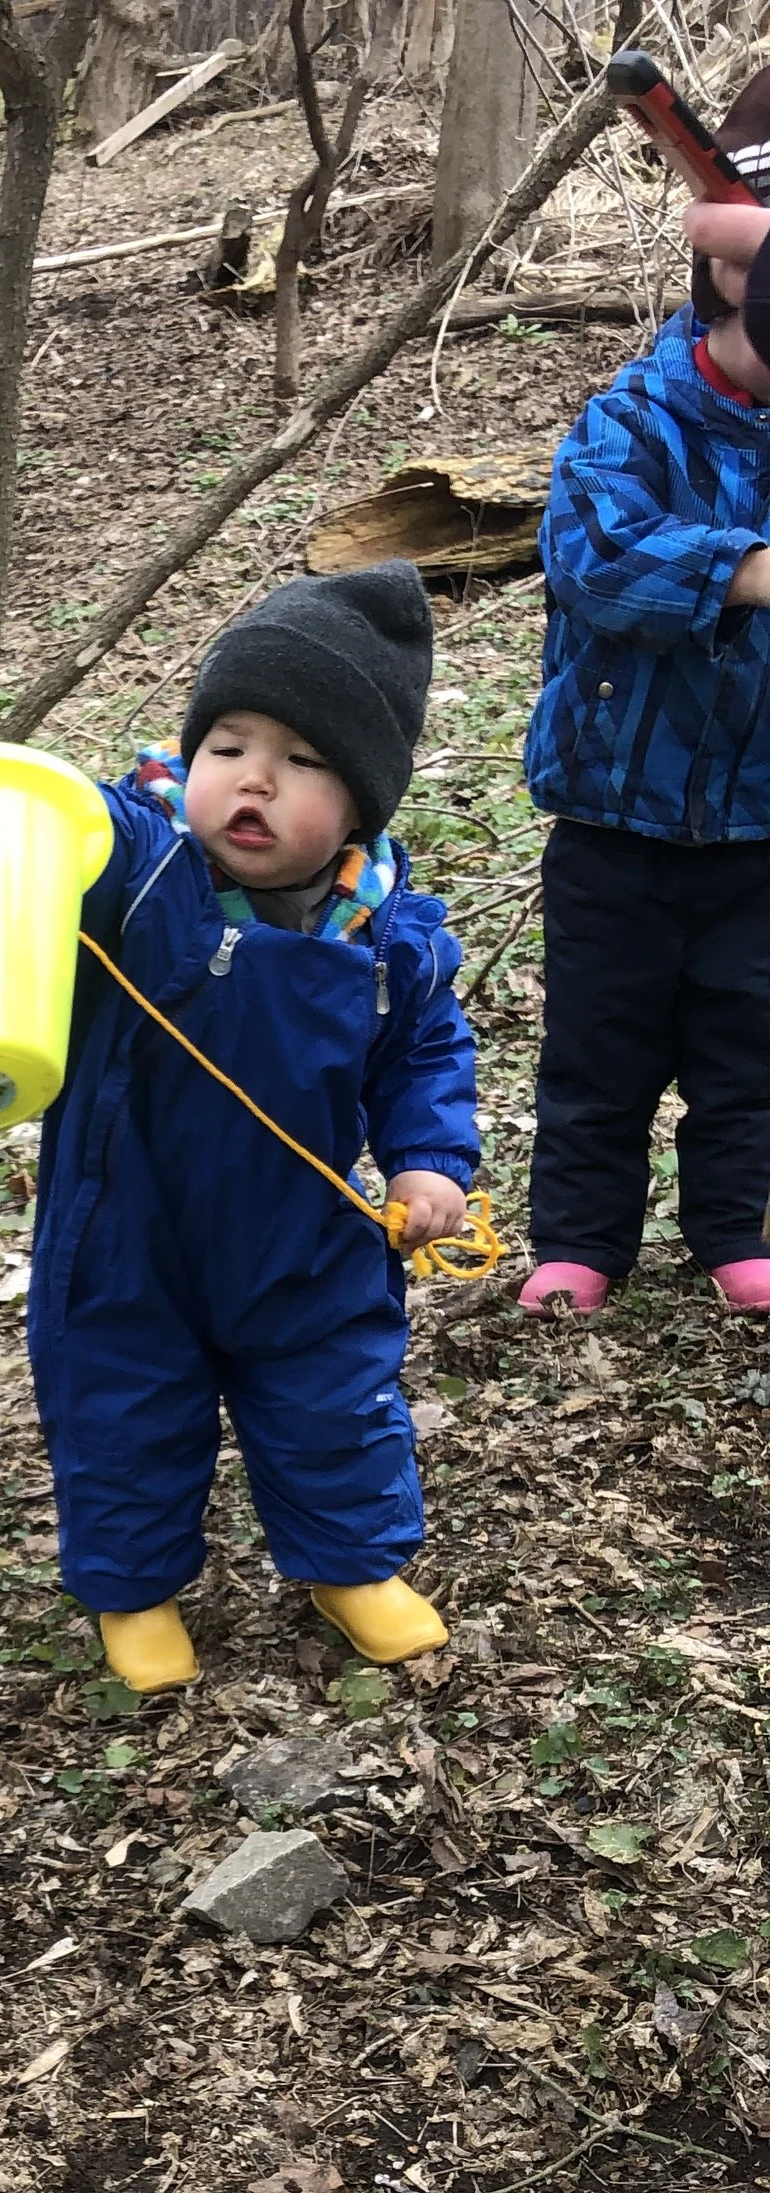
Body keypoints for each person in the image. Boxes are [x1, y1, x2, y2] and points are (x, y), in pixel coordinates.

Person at [28, 563, 480, 1696]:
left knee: (336, 1396)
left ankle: (350, 1565)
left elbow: (425, 1052)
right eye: (228, 747)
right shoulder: (140, 867)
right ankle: (133, 1587)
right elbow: (59, 834)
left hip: (304, 1229)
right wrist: (13, 804)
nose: (255, 780)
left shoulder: (387, 933)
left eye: (303, 761)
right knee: (122, 1403)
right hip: (125, 1224)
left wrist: (428, 1160)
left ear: (363, 805)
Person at [520, 86, 770, 1319]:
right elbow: (596, 556)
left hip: (759, 824)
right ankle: (578, 1244)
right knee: (598, 1049)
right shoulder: (631, 417)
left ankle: (732, 1232)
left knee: (748, 1050)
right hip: (615, 815)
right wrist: (746, 569)